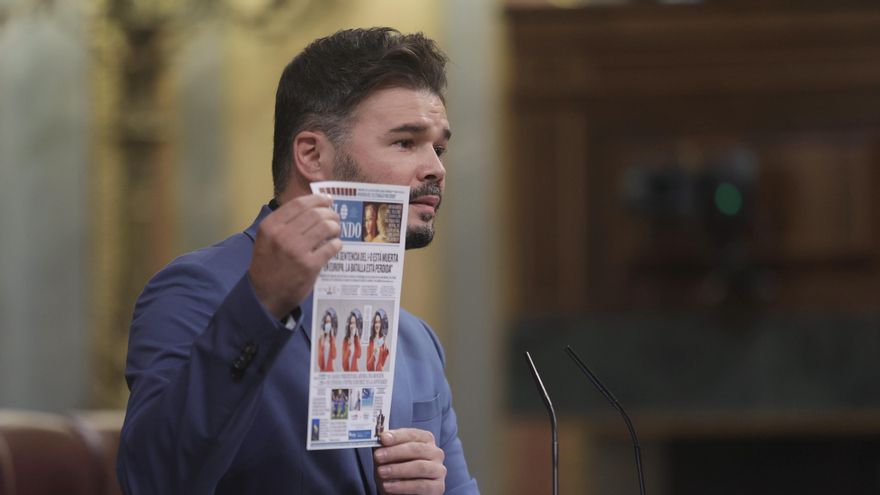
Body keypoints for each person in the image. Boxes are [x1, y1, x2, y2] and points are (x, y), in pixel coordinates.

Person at [117, 27, 479, 495]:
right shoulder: (195, 291)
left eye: (439, 148)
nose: (436, 168)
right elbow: (153, 481)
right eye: (406, 142)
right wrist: (260, 306)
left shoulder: (417, 340)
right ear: (311, 154)